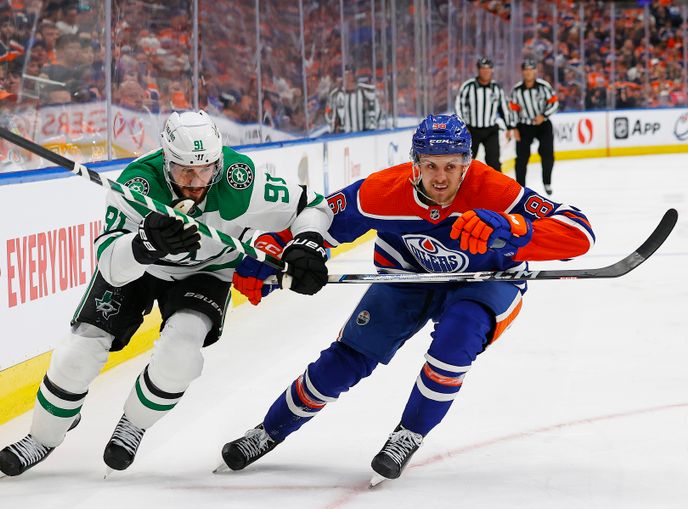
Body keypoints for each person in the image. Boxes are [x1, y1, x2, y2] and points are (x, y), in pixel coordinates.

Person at [219, 114, 594, 483]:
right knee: (345, 359)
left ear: (468, 163)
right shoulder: (382, 190)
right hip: (407, 279)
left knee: (457, 338)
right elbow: (315, 222)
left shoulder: (495, 190)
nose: (441, 177)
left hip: (483, 283)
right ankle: (268, 431)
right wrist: (271, 253)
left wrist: (512, 228)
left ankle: (408, 433)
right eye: (430, 165)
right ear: (413, 163)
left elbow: (579, 232)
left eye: (451, 166)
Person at [0, 110, 334, 477]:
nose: (196, 183)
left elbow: (311, 206)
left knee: (180, 356)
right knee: (78, 353)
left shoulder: (239, 181)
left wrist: (309, 242)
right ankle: (43, 437)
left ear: (219, 162)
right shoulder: (138, 185)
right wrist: (142, 246)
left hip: (205, 271)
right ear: (166, 160)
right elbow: (109, 262)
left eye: (205, 170)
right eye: (185, 171)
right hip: (139, 266)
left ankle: (134, 424)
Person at [507, 59, 559, 195]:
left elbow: (554, 103)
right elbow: (512, 110)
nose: (529, 72)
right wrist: (514, 128)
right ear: (523, 72)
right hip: (524, 126)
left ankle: (547, 182)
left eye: (531, 69)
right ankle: (520, 189)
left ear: (535, 71)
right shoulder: (517, 90)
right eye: (526, 70)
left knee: (547, 153)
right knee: (522, 158)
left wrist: (544, 115)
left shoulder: (544, 86)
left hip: (543, 124)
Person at [454, 56, 511, 171]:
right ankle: (464, 187)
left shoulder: (496, 88)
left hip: (491, 130)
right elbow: (459, 106)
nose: (485, 71)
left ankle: (496, 188)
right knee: (466, 162)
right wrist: (463, 126)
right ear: (478, 70)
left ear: (492, 70)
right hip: (471, 130)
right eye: (483, 68)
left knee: (494, 161)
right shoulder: (468, 86)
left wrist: (509, 127)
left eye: (488, 68)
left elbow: (503, 108)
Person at [325, 65, 381, 133]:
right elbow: (328, 114)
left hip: (364, 135)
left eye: (350, 73)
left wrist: (371, 127)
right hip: (342, 137)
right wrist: (334, 127)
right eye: (345, 74)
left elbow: (377, 109)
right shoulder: (335, 94)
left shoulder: (366, 90)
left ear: (354, 75)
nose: (348, 76)